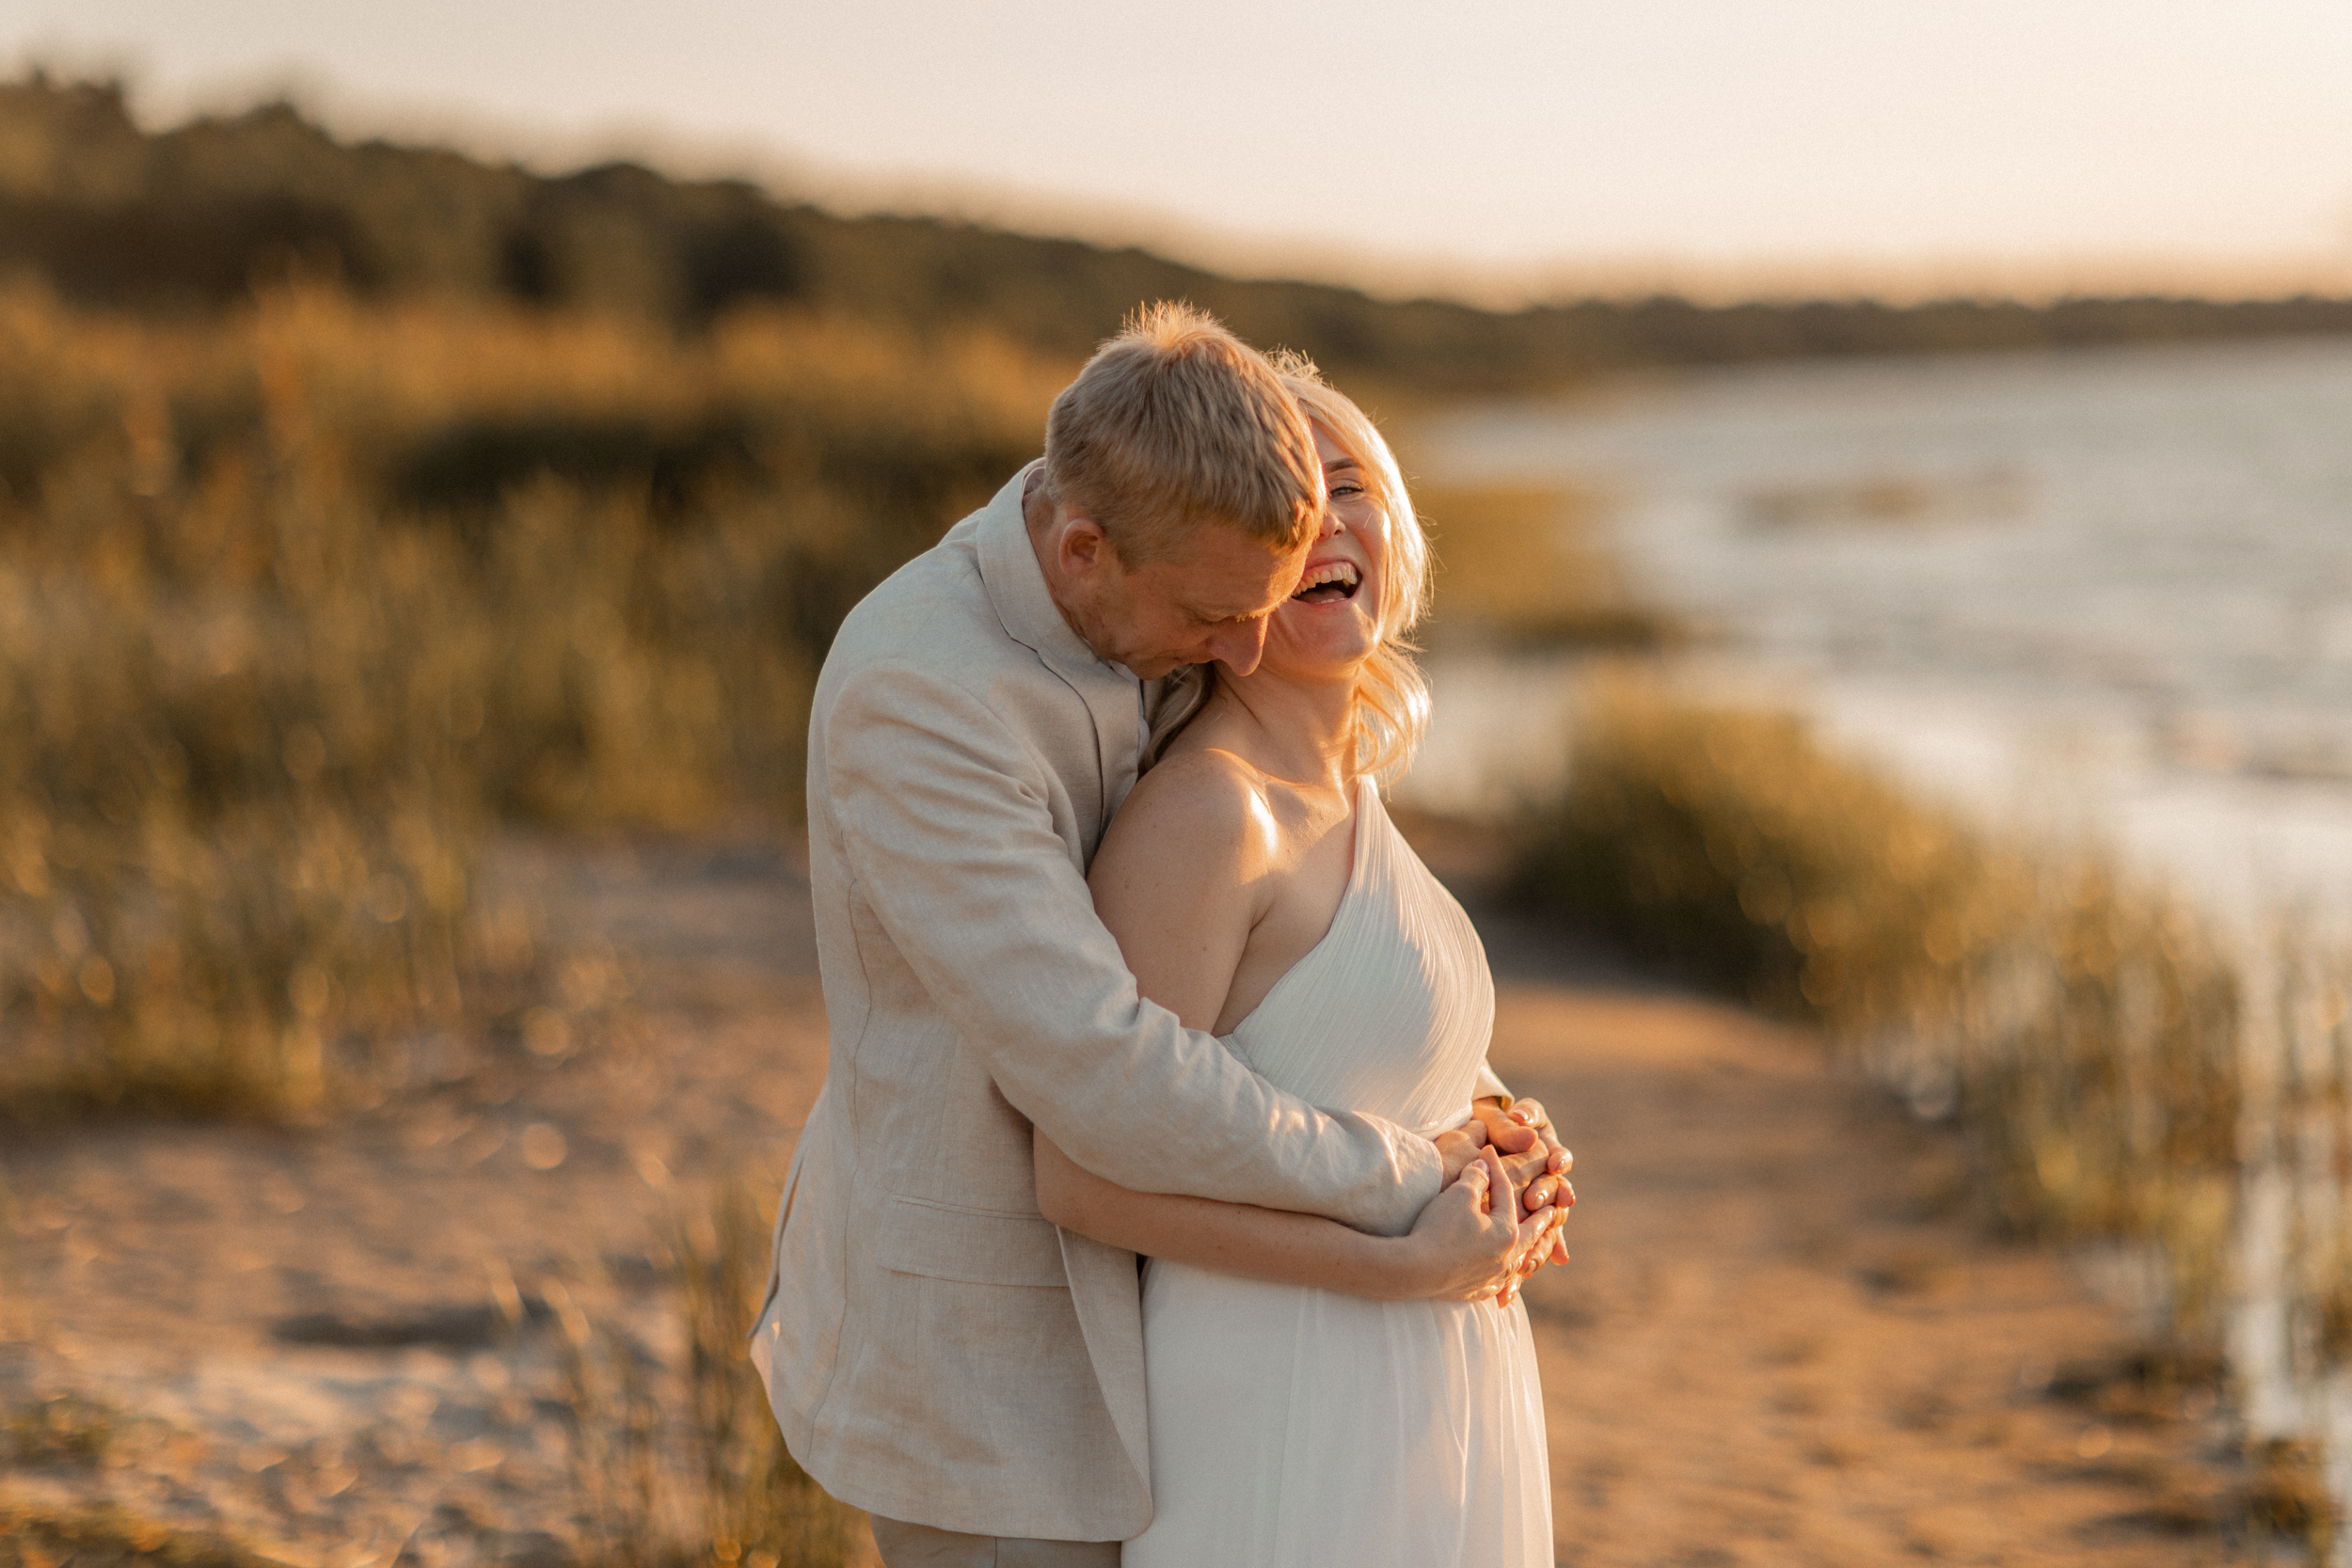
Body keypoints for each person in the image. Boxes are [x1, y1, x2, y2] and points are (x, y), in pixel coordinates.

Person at [752, 302, 1567, 1568]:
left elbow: (1297, 1002)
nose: (1242, 644)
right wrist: (1417, 1179)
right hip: (987, 1357)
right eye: (1220, 615)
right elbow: (1105, 1072)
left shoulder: (1171, 572)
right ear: (1082, 550)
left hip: (1199, 1321)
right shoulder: (923, 698)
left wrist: (1494, 1125)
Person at [1036, 359, 1560, 1566]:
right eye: (1283, 506)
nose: (1326, 524)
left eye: (1347, 482)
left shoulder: (1342, 793)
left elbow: (1349, 1070)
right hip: (1280, 1387)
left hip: (1421, 1379)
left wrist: (1499, 1127)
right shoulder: (1206, 818)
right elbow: (1082, 1180)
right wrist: (1398, 1269)